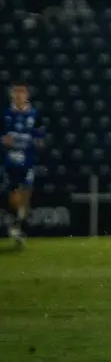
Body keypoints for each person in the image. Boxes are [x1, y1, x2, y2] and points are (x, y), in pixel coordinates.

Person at [3, 82, 44, 247]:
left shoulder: (35, 114)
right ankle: (15, 220)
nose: (19, 95)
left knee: (26, 192)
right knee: (14, 194)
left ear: (27, 95)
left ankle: (18, 226)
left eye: (22, 92)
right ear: (12, 95)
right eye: (16, 92)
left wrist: (38, 142)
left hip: (27, 159)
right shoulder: (4, 113)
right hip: (10, 159)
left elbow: (40, 136)